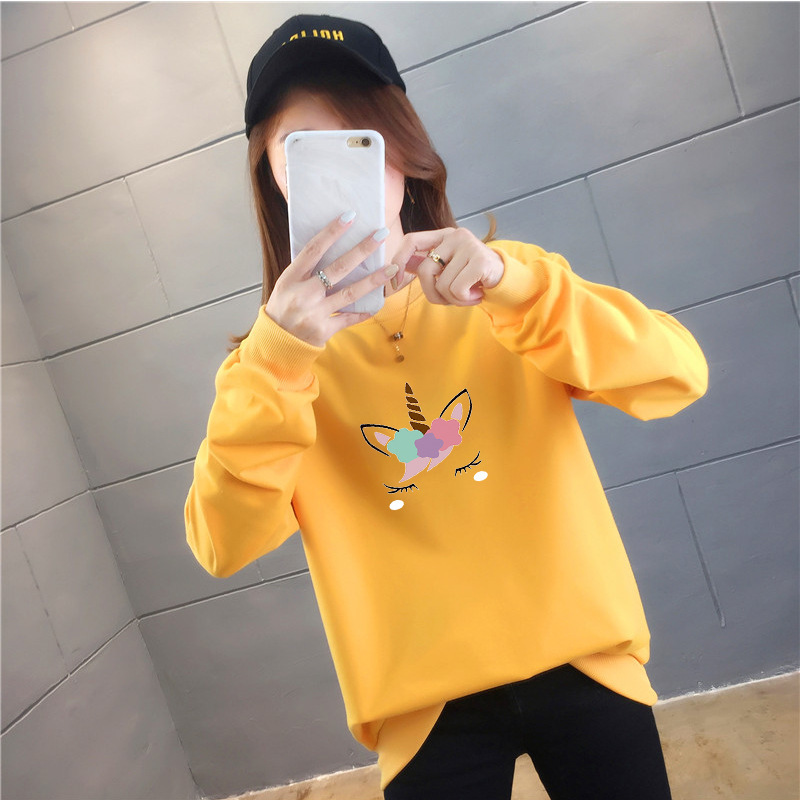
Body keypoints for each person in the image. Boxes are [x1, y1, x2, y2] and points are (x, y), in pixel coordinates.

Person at [185, 14, 708, 800]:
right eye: (304, 150)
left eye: (361, 138)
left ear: (404, 147)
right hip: (423, 710)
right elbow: (222, 544)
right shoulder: (268, 368)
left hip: (587, 663)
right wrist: (279, 357)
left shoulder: (510, 289)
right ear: (272, 174)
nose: (345, 171)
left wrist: (512, 286)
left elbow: (676, 376)